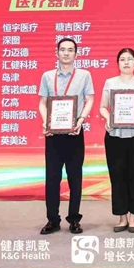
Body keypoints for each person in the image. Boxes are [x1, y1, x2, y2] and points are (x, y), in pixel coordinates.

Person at [38, 37, 95, 235]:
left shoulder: (84, 75)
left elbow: (89, 100)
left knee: (75, 178)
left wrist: (81, 120)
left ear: (76, 54)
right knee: (52, 178)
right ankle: (52, 220)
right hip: (53, 135)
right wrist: (45, 122)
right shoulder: (47, 76)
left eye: (70, 50)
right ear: (57, 53)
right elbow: (42, 103)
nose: (66, 53)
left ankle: (74, 219)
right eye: (63, 49)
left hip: (74, 132)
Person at [99, 48, 134, 233]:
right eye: (122, 59)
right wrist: (108, 118)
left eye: (130, 59)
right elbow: (103, 107)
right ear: (118, 63)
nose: (126, 62)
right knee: (117, 176)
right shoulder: (110, 83)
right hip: (115, 135)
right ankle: (122, 217)